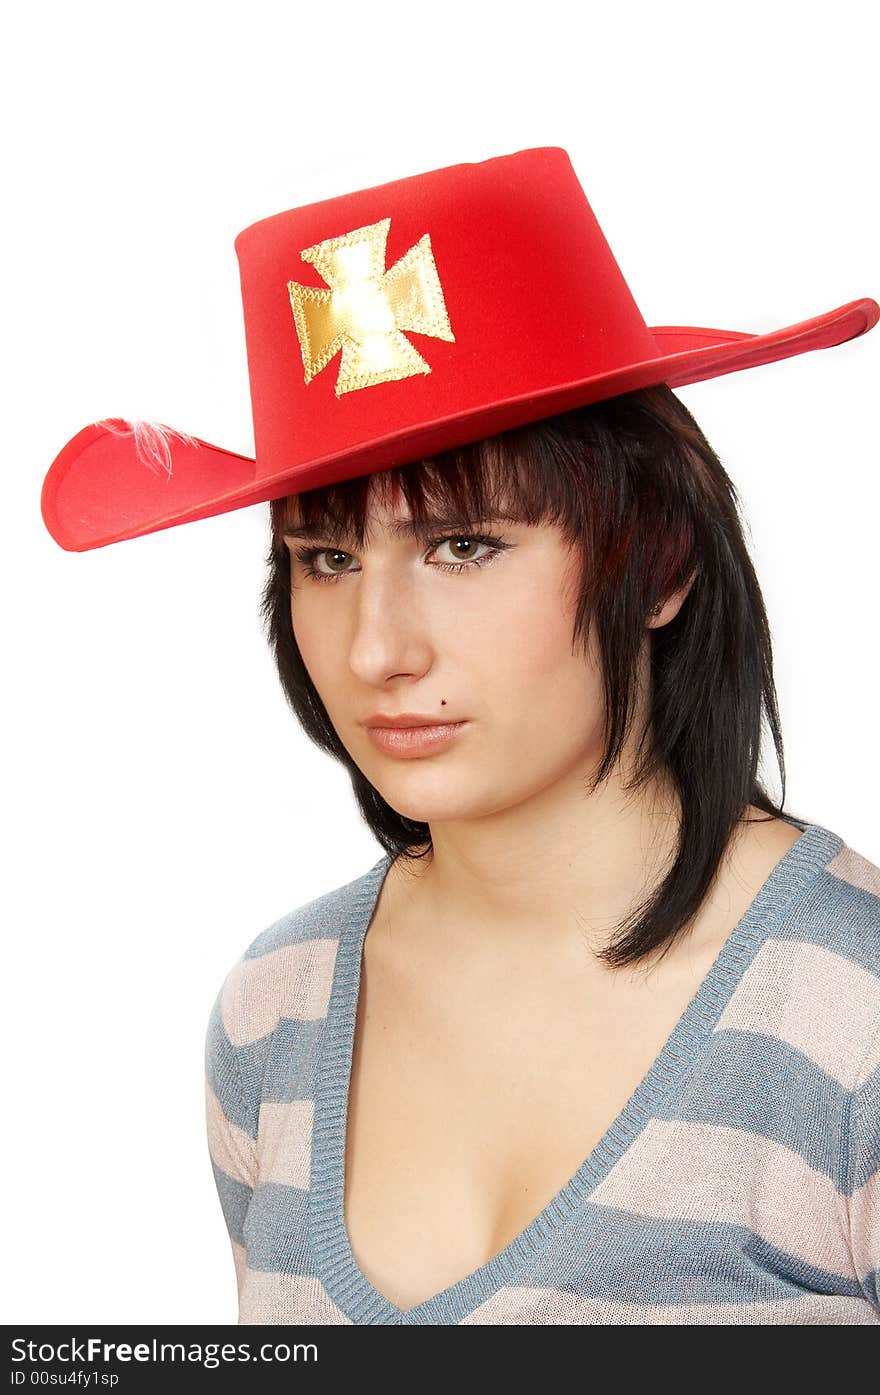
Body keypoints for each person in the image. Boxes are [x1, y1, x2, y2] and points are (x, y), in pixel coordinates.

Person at [40, 148, 880, 1325]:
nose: (377, 648)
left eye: (463, 545)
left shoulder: (852, 1020)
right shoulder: (277, 1014)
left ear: (661, 559)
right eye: (327, 558)